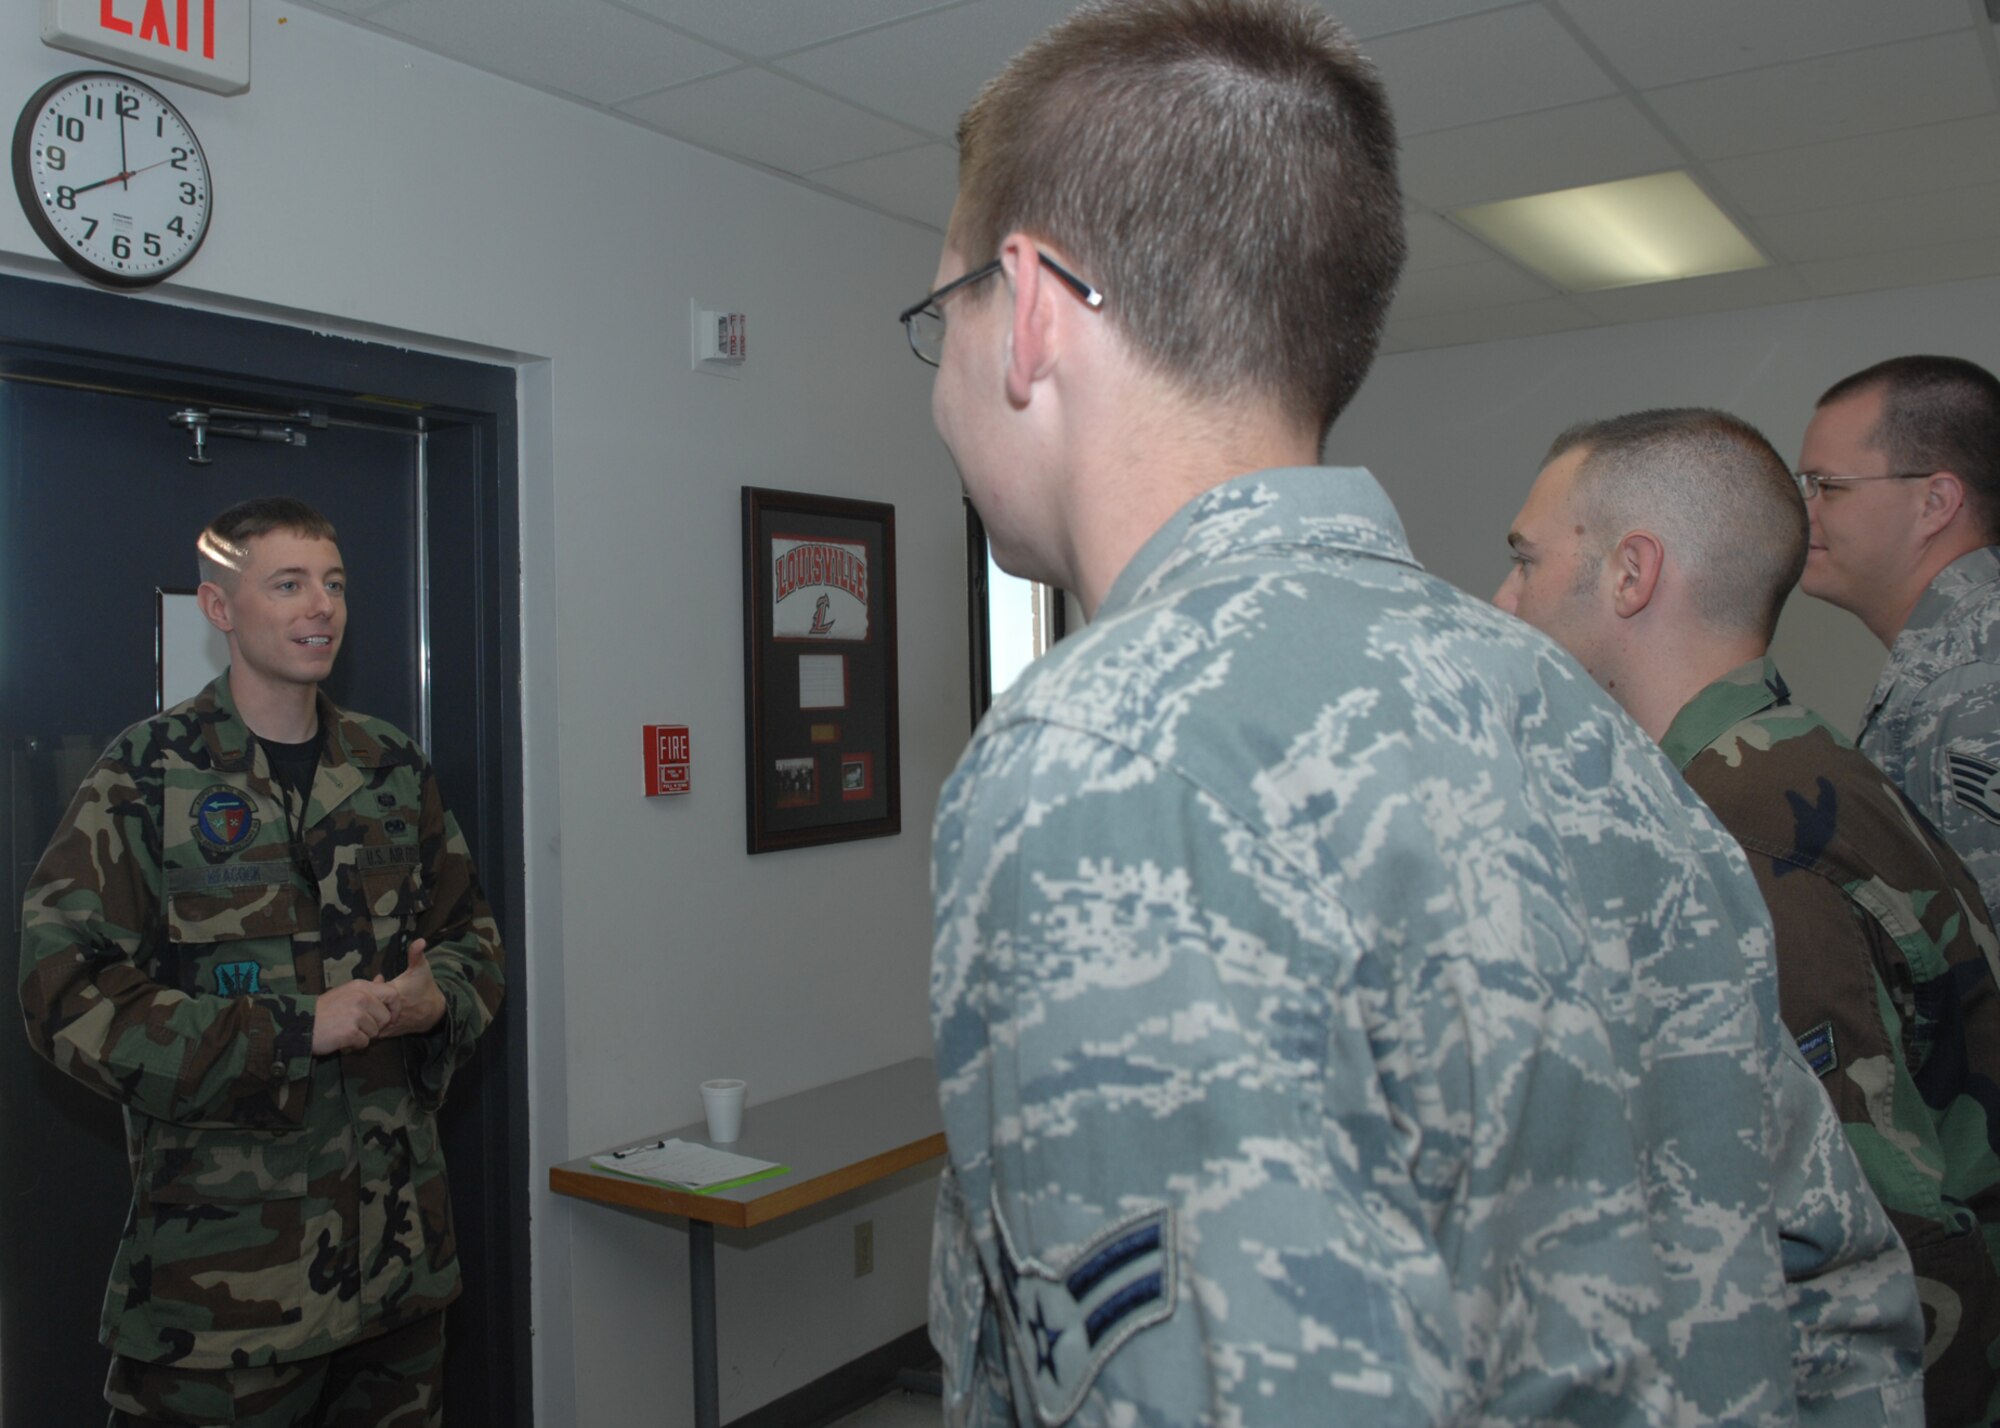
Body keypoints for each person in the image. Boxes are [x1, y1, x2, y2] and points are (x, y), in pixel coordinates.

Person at [912, 1, 1920, 1423]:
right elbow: (1838, 1294)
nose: (941, 387)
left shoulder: (1105, 753)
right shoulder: (1576, 724)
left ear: (1021, 313)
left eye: (937, 311)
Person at [1497, 407, 2000, 1426]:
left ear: (1630, 576)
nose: (1501, 601)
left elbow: (1886, 1244)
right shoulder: (1791, 768)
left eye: (1525, 562)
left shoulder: (1736, 834)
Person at [18, 497, 505, 1427]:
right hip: (226, 1298)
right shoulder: (147, 776)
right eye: (287, 584)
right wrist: (291, 1030)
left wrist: (433, 1002)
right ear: (219, 607)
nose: (319, 607)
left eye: (333, 584)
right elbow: (62, 994)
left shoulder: (393, 768)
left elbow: (471, 938)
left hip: (398, 1271)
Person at [1797, 356, 2000, 922]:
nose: (1803, 511)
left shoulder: (1971, 682)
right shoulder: (1954, 658)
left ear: (1934, 503)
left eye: (1825, 486)